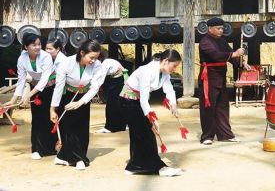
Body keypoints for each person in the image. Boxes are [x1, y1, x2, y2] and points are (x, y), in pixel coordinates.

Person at [119, 49, 181, 177]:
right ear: (165, 61)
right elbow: (143, 98)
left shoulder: (164, 73)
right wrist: (152, 117)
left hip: (137, 102)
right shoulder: (146, 70)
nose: (174, 69)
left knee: (142, 134)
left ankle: (134, 166)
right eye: (174, 66)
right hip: (128, 101)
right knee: (145, 133)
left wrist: (173, 105)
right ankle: (157, 167)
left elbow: (169, 89)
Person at [50, 39, 105, 170]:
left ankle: (79, 157)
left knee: (81, 128)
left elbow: (94, 88)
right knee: (67, 128)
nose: (93, 61)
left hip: (83, 98)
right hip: (67, 96)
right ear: (82, 53)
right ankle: (65, 157)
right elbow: (59, 86)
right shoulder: (66, 63)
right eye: (91, 57)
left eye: (96, 58)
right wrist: (52, 109)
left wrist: (80, 102)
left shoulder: (97, 66)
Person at [2, 33, 56, 160]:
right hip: (35, 88)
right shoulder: (22, 59)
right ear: (26, 47)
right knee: (37, 119)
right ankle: (36, 149)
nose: (38, 47)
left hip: (50, 88)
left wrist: (29, 95)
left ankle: (50, 148)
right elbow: (21, 80)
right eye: (34, 45)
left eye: (39, 44)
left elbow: (44, 79)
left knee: (49, 118)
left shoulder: (46, 56)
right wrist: (13, 100)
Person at [199, 17, 249, 145]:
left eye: (222, 28)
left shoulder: (222, 41)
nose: (221, 30)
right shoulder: (205, 42)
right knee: (208, 107)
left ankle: (225, 135)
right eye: (218, 28)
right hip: (208, 79)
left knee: (222, 107)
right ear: (210, 29)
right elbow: (215, 55)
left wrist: (242, 63)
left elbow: (230, 55)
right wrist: (234, 54)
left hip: (220, 78)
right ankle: (207, 136)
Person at [95, 58, 128, 133]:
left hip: (118, 80)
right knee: (118, 103)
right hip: (119, 79)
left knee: (111, 104)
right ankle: (121, 125)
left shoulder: (104, 65)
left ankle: (109, 127)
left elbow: (100, 80)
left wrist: (96, 89)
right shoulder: (107, 61)